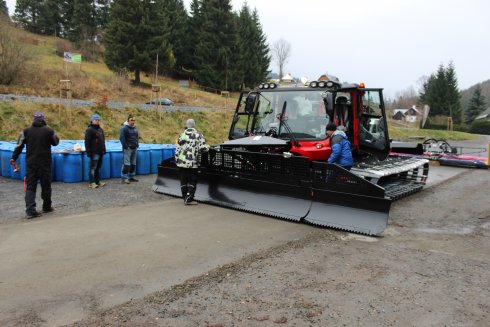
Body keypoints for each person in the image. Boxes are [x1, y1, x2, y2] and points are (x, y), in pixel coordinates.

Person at [10, 112, 60, 218]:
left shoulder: (26, 131)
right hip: (45, 163)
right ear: (43, 119)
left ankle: (30, 211)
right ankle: (46, 207)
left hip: (31, 163)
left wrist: (14, 157)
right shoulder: (49, 130)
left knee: (30, 187)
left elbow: (18, 146)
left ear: (34, 119)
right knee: (46, 186)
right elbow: (55, 142)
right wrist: (54, 134)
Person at [175, 119, 208, 205]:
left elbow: (177, 149)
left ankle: (185, 197)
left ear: (187, 125)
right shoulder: (198, 135)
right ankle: (189, 199)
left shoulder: (181, 135)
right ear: (194, 125)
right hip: (192, 162)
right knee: (192, 180)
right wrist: (209, 147)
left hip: (181, 162)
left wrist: (176, 161)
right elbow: (203, 148)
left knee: (183, 180)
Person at [84, 113, 106, 189]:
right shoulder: (89, 130)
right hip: (94, 152)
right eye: (96, 120)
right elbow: (87, 142)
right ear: (92, 120)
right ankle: (91, 182)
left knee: (98, 168)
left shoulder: (100, 129)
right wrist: (88, 152)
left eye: (98, 120)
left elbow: (103, 140)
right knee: (92, 168)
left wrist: (104, 149)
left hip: (100, 152)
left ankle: (97, 181)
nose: (97, 121)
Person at [120, 114, 139, 184]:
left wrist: (137, 145)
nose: (133, 122)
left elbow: (136, 137)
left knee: (133, 164)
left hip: (134, 148)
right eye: (131, 120)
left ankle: (131, 176)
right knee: (126, 164)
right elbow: (121, 138)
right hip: (128, 149)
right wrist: (125, 146)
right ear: (128, 121)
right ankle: (124, 178)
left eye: (134, 120)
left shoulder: (135, 128)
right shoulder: (124, 128)